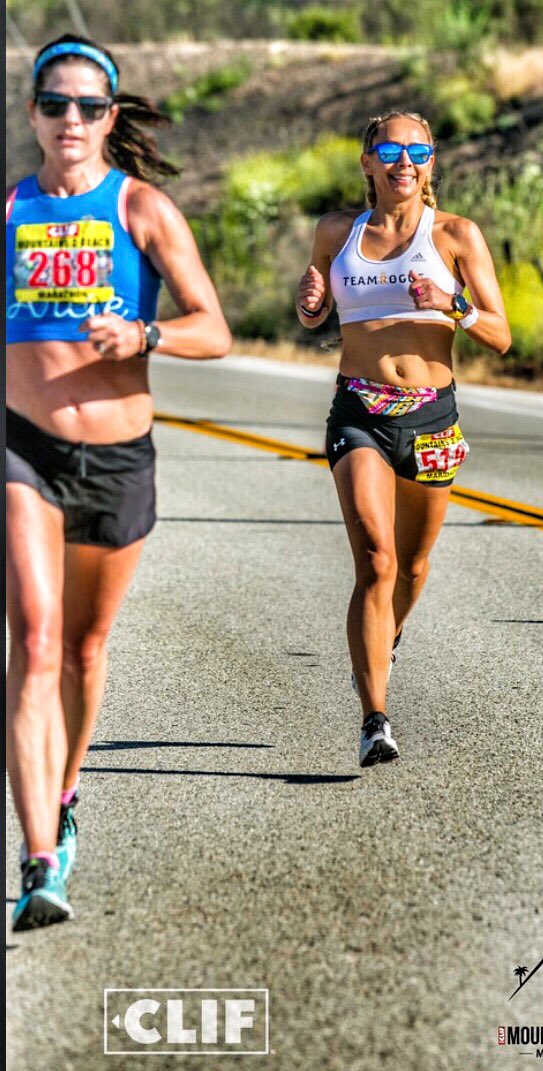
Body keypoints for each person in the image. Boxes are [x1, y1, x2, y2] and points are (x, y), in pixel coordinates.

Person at [6, 34, 232, 932]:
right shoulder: (8, 211)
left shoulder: (142, 209)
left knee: (86, 649)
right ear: (31, 113)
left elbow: (214, 327)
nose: (70, 120)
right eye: (54, 104)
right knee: (36, 637)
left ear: (109, 117)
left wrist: (148, 337)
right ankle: (35, 862)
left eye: (88, 108)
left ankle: (64, 794)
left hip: (119, 459)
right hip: (22, 449)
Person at [296, 110, 511, 768]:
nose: (404, 160)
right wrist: (309, 305)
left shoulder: (455, 235)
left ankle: (384, 640)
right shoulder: (337, 232)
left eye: (418, 149)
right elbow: (315, 311)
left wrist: (452, 303)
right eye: (389, 148)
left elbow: (501, 334)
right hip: (357, 407)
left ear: (432, 162)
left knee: (413, 567)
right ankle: (375, 719)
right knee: (377, 559)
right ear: (367, 162)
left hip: (431, 416)